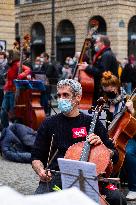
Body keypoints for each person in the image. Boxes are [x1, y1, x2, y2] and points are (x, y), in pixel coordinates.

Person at [31, 79, 127, 205]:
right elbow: (36, 158)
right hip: (58, 177)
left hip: (92, 178)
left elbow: (115, 155)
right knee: (38, 200)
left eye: (65, 95)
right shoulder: (49, 123)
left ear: (78, 97)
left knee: (118, 199)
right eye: (59, 95)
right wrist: (41, 171)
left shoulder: (92, 123)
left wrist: (103, 148)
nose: (61, 99)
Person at [101, 71, 136, 200]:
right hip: (109, 136)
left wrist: (132, 111)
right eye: (104, 87)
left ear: (115, 87)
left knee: (128, 152)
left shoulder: (129, 100)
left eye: (108, 87)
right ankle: (102, 182)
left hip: (128, 137)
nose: (106, 90)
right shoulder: (104, 101)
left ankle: (134, 187)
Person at [78, 35, 118, 104]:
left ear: (102, 43)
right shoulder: (104, 54)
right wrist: (88, 66)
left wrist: (87, 68)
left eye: (96, 42)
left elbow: (102, 72)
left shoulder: (106, 55)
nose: (95, 44)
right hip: (103, 90)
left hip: (106, 91)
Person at [0, 49, 31, 129]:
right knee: (3, 111)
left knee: (13, 112)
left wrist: (21, 75)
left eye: (8, 56)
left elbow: (28, 69)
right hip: (8, 91)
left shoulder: (17, 64)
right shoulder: (9, 66)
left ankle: (14, 129)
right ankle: (5, 129)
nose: (7, 58)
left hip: (14, 91)